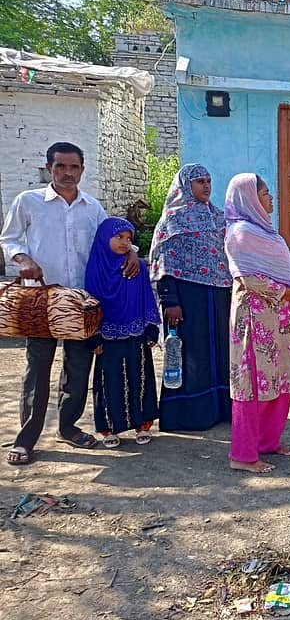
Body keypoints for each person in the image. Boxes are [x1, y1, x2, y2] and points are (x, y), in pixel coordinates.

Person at [0, 142, 139, 465]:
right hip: (41, 300)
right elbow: (10, 238)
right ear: (49, 168)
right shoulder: (28, 201)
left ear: (82, 170)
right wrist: (23, 259)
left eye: (74, 167)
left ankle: (68, 427)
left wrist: (131, 252)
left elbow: (111, 239)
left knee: (78, 369)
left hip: (81, 302)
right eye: (60, 166)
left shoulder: (92, 207)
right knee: (38, 368)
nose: (67, 173)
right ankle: (26, 438)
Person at [224, 173, 290, 473]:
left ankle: (267, 441)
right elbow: (250, 279)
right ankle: (243, 455)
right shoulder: (239, 233)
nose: (270, 198)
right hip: (254, 319)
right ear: (249, 198)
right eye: (264, 193)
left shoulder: (265, 231)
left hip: (279, 318)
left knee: (278, 379)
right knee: (251, 384)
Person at [148, 163, 233, 431]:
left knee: (220, 349)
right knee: (190, 353)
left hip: (218, 296)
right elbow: (163, 262)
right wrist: (169, 300)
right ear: (186, 185)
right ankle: (188, 414)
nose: (206, 186)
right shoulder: (173, 219)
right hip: (186, 299)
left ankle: (221, 409)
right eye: (199, 182)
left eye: (208, 181)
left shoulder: (217, 216)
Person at [85, 218, 161, 448]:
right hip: (106, 335)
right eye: (119, 237)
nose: (125, 242)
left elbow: (146, 295)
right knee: (109, 381)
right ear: (104, 238)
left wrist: (151, 327)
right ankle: (109, 428)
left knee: (140, 376)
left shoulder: (136, 266)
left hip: (136, 332)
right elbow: (90, 303)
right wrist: (94, 335)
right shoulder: (95, 268)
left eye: (129, 239)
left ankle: (142, 425)